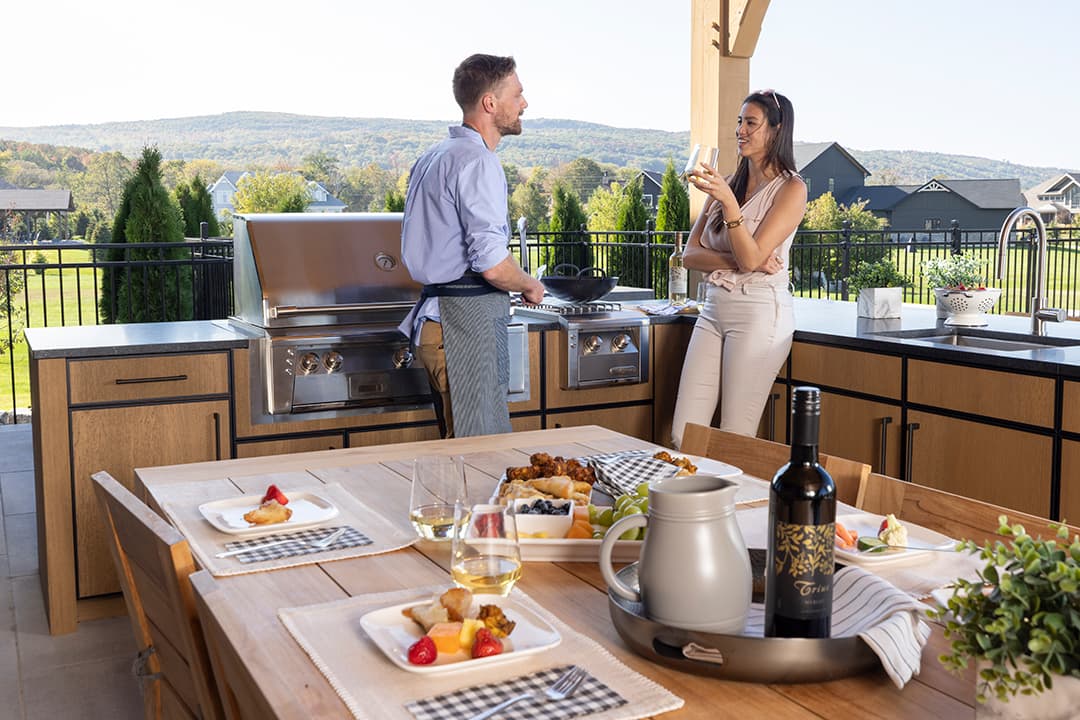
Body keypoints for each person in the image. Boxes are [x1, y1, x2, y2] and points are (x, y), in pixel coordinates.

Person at [399, 54, 544, 439]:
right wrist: (529, 283)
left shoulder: (433, 156)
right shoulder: (478, 162)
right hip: (461, 328)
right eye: (518, 94)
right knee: (480, 453)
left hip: (437, 323)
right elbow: (493, 264)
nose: (524, 104)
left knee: (458, 450)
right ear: (490, 104)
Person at [670, 89, 808, 447]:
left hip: (759, 313)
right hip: (714, 309)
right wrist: (750, 259)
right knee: (683, 435)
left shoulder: (792, 189)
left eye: (751, 123)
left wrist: (731, 208)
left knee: (734, 439)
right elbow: (690, 256)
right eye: (739, 122)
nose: (740, 131)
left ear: (776, 131)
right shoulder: (729, 181)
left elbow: (749, 259)